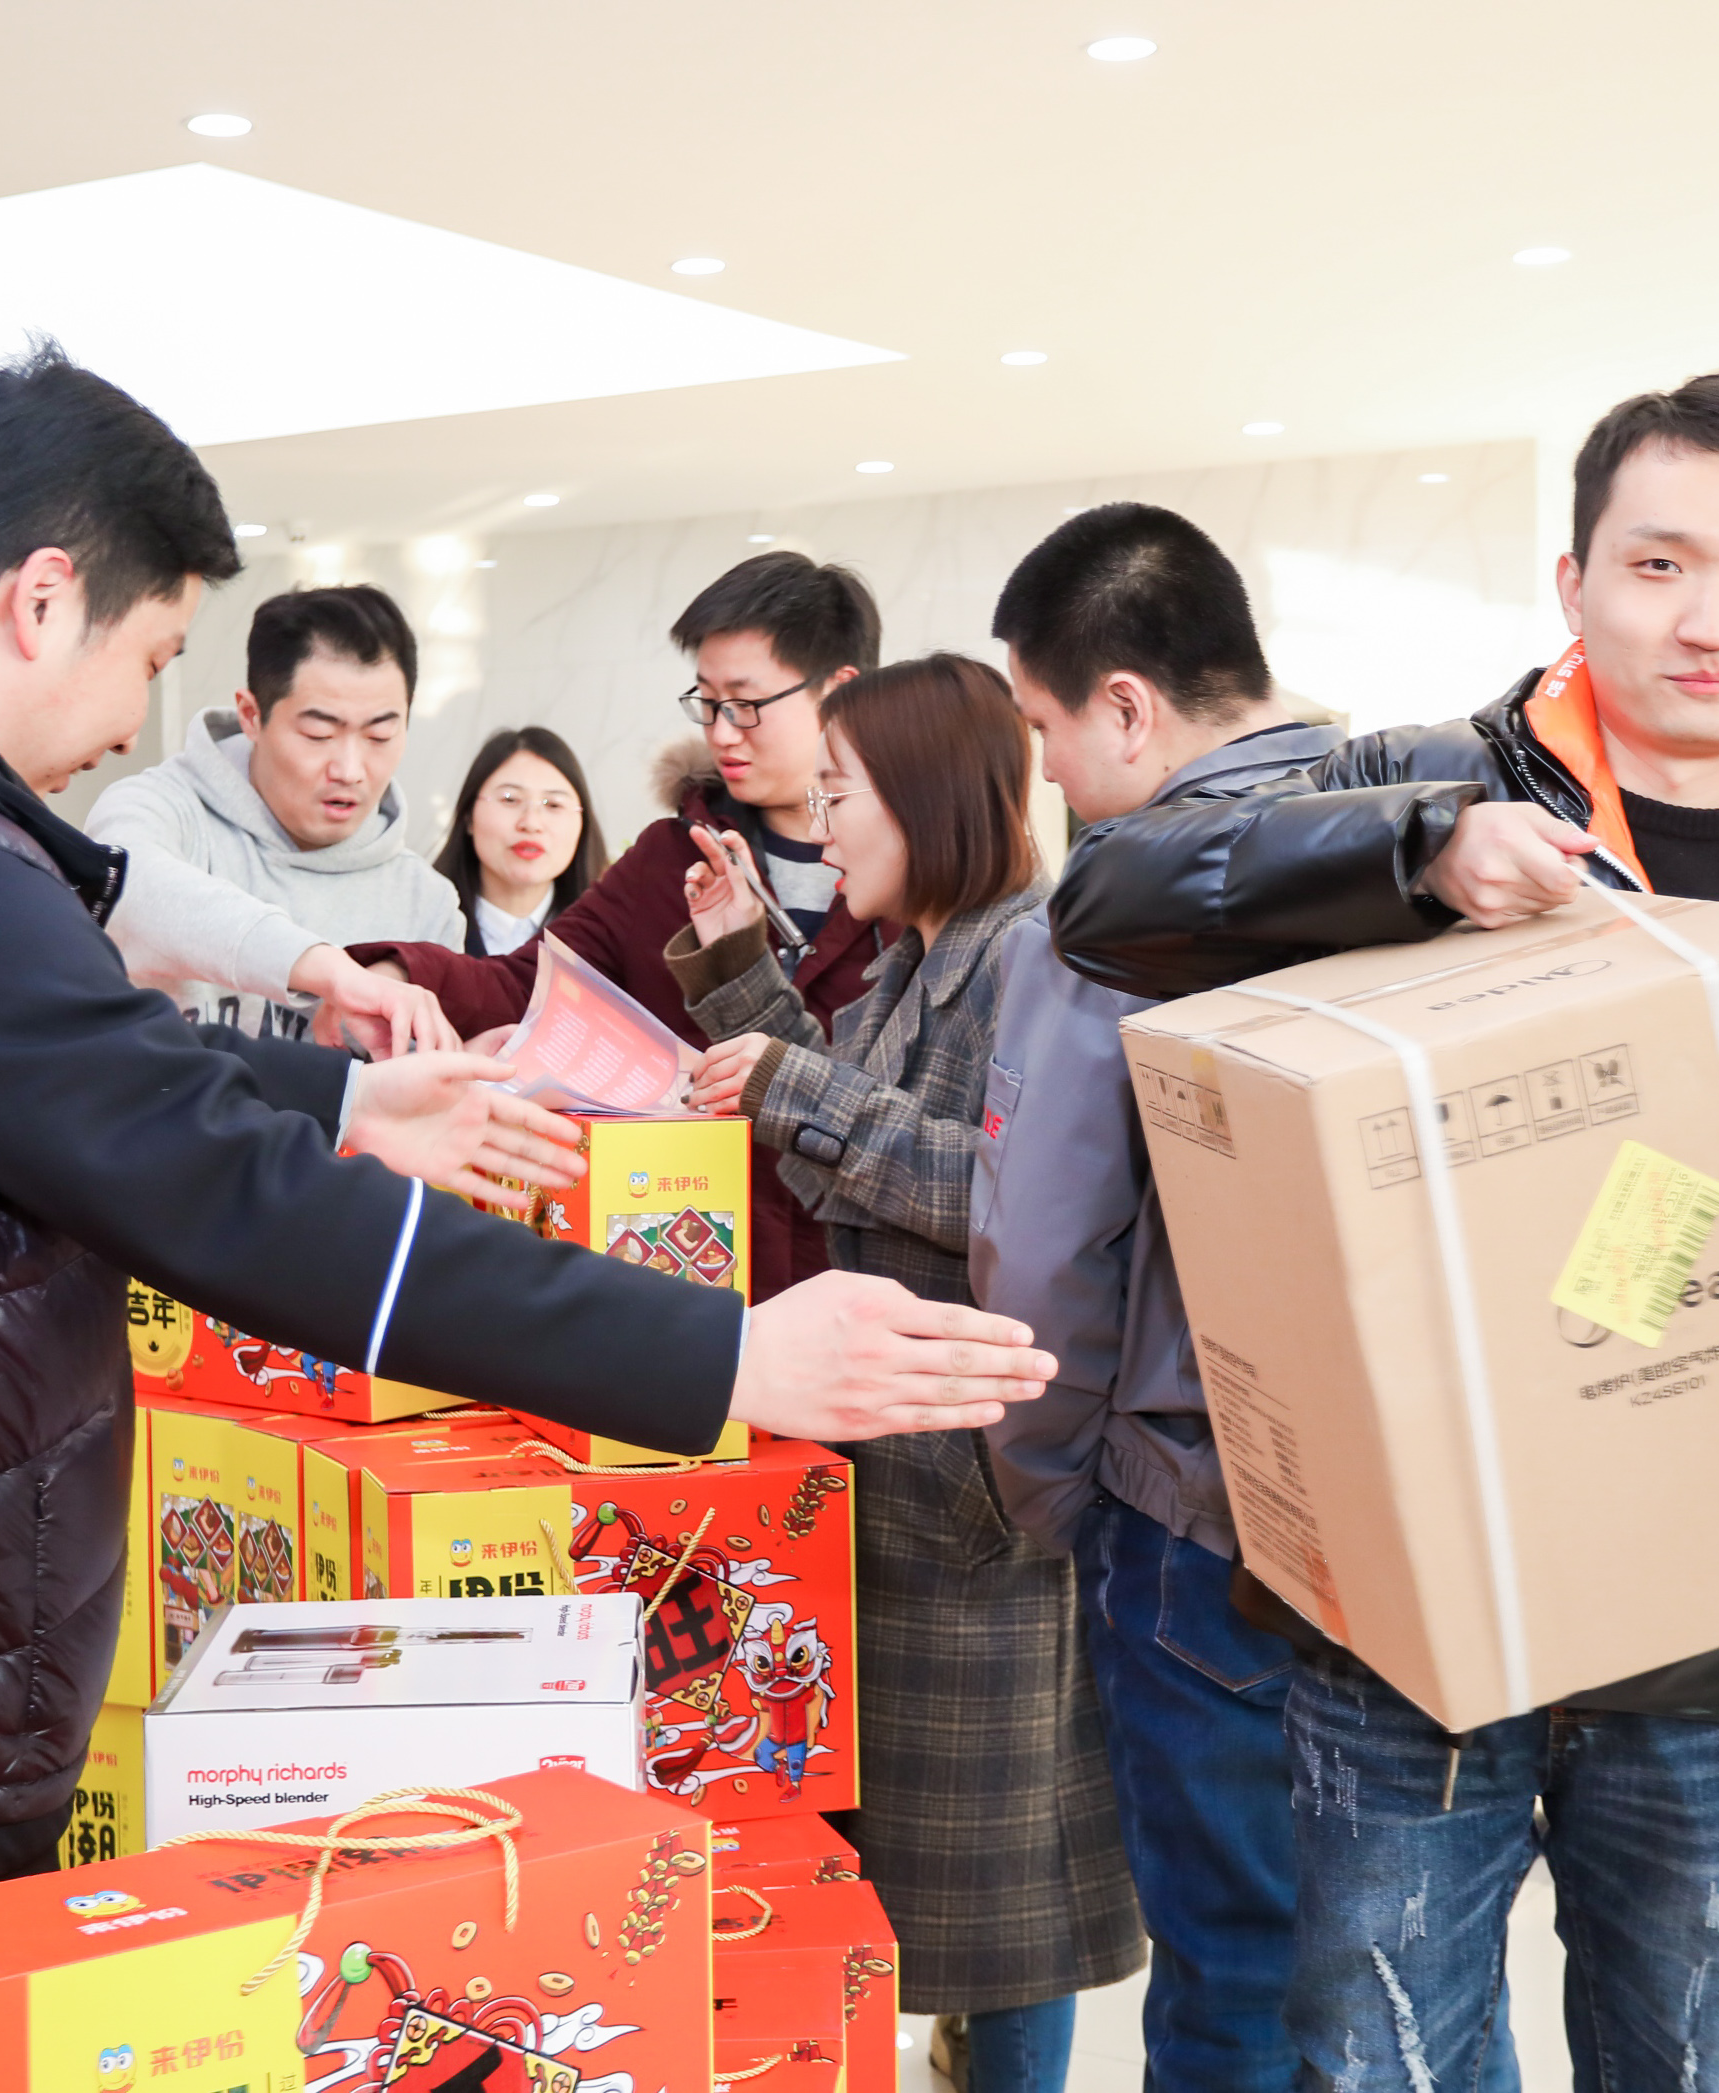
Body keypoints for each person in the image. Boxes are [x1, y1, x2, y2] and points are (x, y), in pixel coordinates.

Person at [0, 345, 1057, 2093]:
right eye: (151, 656)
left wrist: (343, 1097)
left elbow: (29, 1062)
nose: (133, 724)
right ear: (41, 600)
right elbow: (229, 1204)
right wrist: (725, 1354)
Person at [1045, 371, 1719, 2091]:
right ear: (1573, 578)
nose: (1713, 618)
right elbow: (1107, 898)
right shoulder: (1429, 781)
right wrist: (1419, 856)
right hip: (1410, 1616)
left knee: (1691, 2047)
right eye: (1660, 563)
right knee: (1382, 2053)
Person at [969, 502, 1553, 2093]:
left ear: (1125, 708)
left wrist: (1056, 1493)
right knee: (1430, 1976)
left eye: (1041, 726)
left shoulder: (1110, 914)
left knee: (1238, 1974)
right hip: (1454, 1517)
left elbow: (1043, 1255)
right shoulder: (1460, 852)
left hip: (1203, 1522)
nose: (1047, 770)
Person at [668, 655, 1144, 2093]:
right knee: (925, 1872)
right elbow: (846, 1137)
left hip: (982, 1475)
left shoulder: (1030, 955)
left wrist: (795, 1083)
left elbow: (1016, 1193)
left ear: (927, 798)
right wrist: (739, 970)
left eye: (841, 794)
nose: (820, 829)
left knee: (1003, 1894)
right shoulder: (913, 956)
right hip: (905, 1464)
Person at [357, 551, 885, 1296]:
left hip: (861, 1280)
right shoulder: (670, 859)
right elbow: (528, 983)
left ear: (839, 690)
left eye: (745, 704)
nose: (722, 732)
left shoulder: (908, 873)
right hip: (692, 1271)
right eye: (706, 701)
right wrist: (399, 976)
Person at [88, 582, 464, 1056]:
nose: (350, 770)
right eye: (319, 734)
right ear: (251, 715)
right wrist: (326, 970)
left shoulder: (426, 902)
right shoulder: (160, 809)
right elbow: (126, 887)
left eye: (380, 736)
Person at [429, 725, 605, 955]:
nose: (531, 823)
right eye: (510, 799)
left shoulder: (606, 939)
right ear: (468, 816)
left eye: (553, 805)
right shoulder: (422, 924)